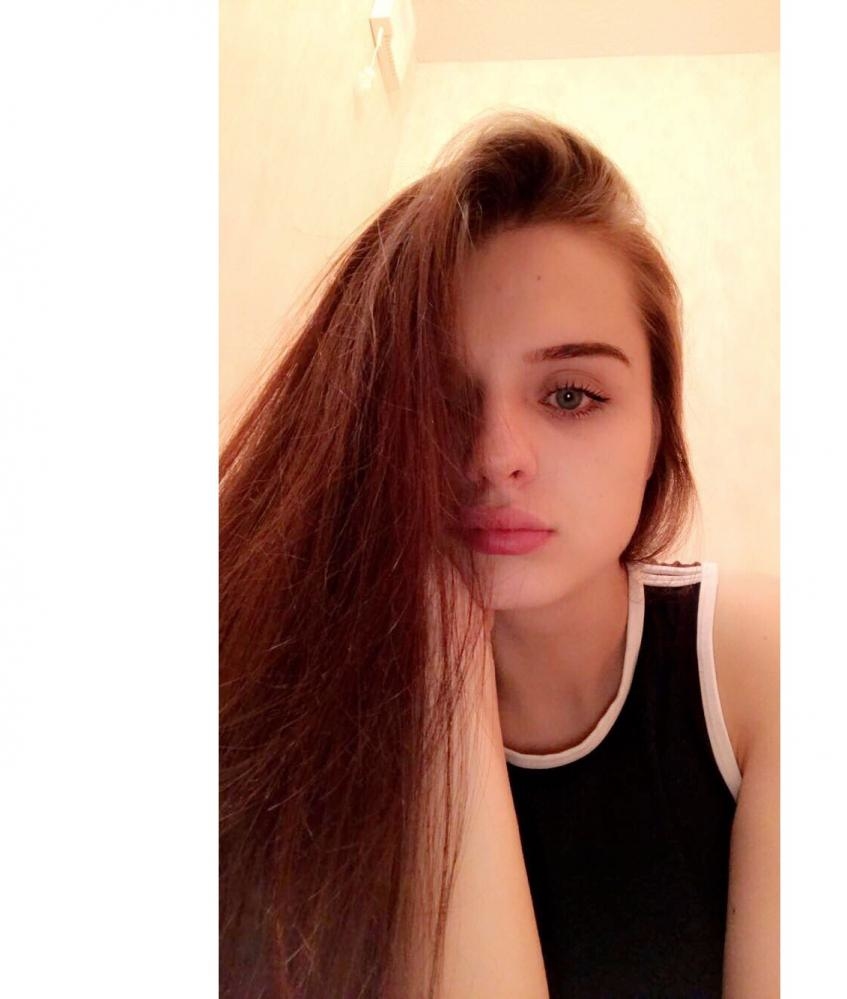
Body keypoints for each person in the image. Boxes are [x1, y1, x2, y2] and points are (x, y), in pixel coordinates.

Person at [220, 109, 778, 998]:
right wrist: (450, 647)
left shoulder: (757, 662)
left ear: (657, 432)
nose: (493, 455)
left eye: (569, 394)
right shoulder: (311, 704)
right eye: (435, 401)